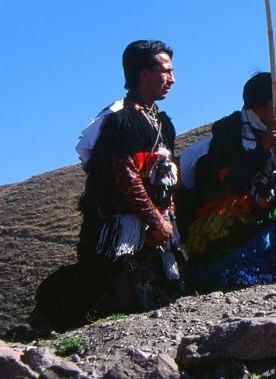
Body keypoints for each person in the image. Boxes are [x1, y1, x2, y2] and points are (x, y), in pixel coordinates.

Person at [34, 40, 184, 330]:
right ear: (143, 73)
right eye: (166, 71)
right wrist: (154, 221)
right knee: (114, 287)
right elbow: (126, 177)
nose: (172, 79)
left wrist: (166, 218)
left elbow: (169, 175)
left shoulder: (163, 123)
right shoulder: (120, 120)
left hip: (159, 224)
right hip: (122, 226)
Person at [181, 72, 276, 291]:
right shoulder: (228, 133)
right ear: (259, 106)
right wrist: (263, 149)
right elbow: (231, 181)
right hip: (238, 210)